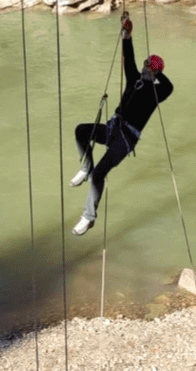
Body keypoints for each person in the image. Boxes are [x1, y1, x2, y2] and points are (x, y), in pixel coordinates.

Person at [69, 12, 173, 236]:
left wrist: (157, 73)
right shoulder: (134, 79)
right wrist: (127, 35)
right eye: (146, 65)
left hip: (125, 140)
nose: (145, 69)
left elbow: (169, 87)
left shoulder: (157, 92)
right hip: (112, 128)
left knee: (100, 174)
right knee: (81, 131)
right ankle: (86, 167)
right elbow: (130, 58)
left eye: (149, 68)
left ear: (155, 73)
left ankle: (88, 217)